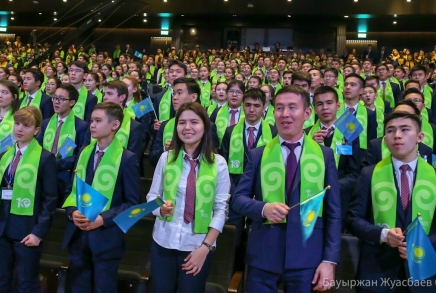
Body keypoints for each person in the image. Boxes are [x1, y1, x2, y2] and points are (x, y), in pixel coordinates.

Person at [232, 85, 341, 292]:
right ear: (273, 113)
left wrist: (330, 260)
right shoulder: (258, 154)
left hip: (308, 256)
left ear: (307, 113)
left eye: (293, 107)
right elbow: (238, 199)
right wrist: (263, 209)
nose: (285, 114)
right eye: (279, 108)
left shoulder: (324, 155)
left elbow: (333, 212)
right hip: (263, 256)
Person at [347, 111, 436, 293]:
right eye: (390, 131)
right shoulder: (369, 174)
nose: (397, 135)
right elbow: (353, 219)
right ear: (384, 139)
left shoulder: (434, 176)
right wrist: (383, 234)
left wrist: (423, 243)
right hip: (377, 269)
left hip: (423, 269)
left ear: (420, 137)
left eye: (405, 130)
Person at [147, 102, 230, 293]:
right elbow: (152, 196)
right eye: (182, 122)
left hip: (197, 246)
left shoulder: (219, 164)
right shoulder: (166, 158)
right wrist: (159, 208)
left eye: (194, 122)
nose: (187, 128)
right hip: (163, 243)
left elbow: (221, 209)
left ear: (205, 126)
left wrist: (205, 248)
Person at [62, 102, 140, 293]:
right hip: (79, 236)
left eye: (98, 121)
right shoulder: (84, 152)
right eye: (91, 121)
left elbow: (132, 205)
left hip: (106, 239)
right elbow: (71, 192)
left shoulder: (127, 158)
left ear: (114, 125)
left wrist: (102, 219)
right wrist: (72, 212)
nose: (92, 125)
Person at [0, 106, 57, 292]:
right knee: (2, 281)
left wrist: (38, 232)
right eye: (17, 123)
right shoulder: (5, 155)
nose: (19, 129)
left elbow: (50, 199)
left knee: (26, 283)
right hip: (2, 229)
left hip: (27, 232)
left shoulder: (45, 158)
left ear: (37, 130)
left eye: (26, 125)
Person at [307, 86, 364, 228]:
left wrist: (332, 188)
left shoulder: (350, 130)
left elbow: (355, 172)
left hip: (340, 197)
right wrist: (310, 146)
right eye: (319, 104)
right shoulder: (307, 134)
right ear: (314, 108)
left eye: (329, 103)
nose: (325, 108)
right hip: (310, 197)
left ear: (338, 105)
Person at [36, 83, 89, 206]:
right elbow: (37, 148)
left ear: (72, 102)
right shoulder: (45, 123)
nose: (56, 102)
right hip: (42, 174)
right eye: (54, 98)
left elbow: (80, 156)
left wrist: (54, 163)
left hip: (64, 175)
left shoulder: (81, 126)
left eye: (61, 99)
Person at [150, 77, 219, 166]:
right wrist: (165, 149)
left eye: (179, 93)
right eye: (174, 93)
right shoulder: (165, 125)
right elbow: (153, 158)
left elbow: (214, 158)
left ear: (193, 97)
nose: (174, 97)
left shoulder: (207, 125)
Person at [362, 99, 433, 168]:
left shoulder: (426, 150)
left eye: (406, 115)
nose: (397, 135)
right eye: (397, 115)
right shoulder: (375, 146)